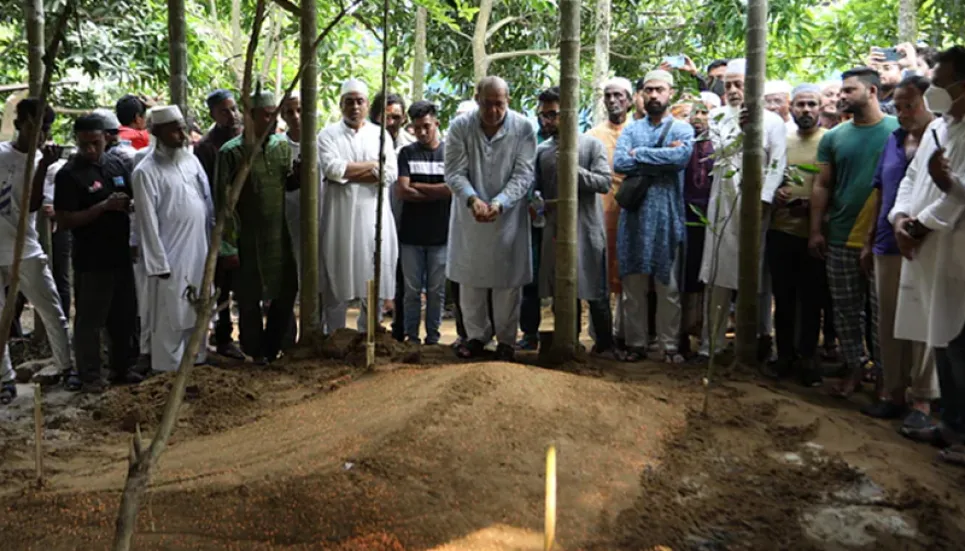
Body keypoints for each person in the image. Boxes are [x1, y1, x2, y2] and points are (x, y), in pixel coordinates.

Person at [887, 46, 965, 466]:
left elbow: (959, 197)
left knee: (959, 346)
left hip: (956, 255)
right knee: (940, 340)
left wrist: (920, 226)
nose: (934, 88)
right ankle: (950, 424)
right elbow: (912, 179)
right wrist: (900, 218)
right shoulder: (939, 128)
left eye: (942, 81)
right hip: (925, 250)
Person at [809, 66, 899, 397]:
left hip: (883, 238)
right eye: (842, 90)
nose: (842, 96)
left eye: (850, 90)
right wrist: (816, 230)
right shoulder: (833, 137)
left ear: (872, 91)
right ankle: (854, 367)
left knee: (882, 311)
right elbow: (822, 184)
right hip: (840, 234)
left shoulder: (896, 129)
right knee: (846, 309)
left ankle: (887, 377)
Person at [859, 75, 939, 424]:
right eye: (900, 106)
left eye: (911, 105)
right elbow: (882, 193)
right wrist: (868, 241)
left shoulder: (943, 138)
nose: (904, 113)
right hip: (887, 241)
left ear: (930, 102)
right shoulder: (893, 140)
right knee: (888, 320)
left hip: (927, 242)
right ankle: (893, 392)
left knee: (922, 321)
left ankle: (922, 400)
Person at [697, 58, 787, 362]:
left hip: (755, 210)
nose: (733, 90)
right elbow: (722, 152)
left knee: (757, 278)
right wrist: (743, 128)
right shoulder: (718, 117)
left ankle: (758, 341)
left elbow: (777, 165)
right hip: (723, 204)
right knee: (717, 275)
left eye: (740, 84)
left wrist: (763, 200)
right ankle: (712, 345)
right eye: (729, 85)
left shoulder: (773, 122)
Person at [446, 76, 536, 361]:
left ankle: (507, 341)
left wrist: (500, 202)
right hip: (469, 215)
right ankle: (474, 337)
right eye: (487, 104)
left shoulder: (523, 128)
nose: (493, 111)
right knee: (470, 280)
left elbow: (524, 174)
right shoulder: (460, 127)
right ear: (476, 99)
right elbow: (454, 172)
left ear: (507, 100)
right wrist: (473, 199)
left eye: (499, 104)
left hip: (507, 218)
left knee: (507, 282)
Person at [55, 114, 141, 392]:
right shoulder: (69, 175)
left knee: (125, 314)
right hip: (91, 260)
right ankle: (90, 376)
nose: (90, 150)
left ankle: (122, 368)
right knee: (91, 321)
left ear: (106, 137)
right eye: (84, 145)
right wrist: (102, 207)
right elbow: (65, 219)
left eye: (95, 143)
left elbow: (130, 199)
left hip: (120, 254)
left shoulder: (117, 164)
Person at [614, 70, 695, 363]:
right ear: (641, 94)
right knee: (633, 287)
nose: (654, 95)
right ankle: (636, 344)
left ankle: (669, 346)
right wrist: (659, 156)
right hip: (634, 219)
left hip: (667, 219)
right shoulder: (631, 129)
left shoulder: (682, 129)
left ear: (670, 93)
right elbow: (620, 161)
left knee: (668, 288)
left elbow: (681, 158)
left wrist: (641, 155)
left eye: (659, 89)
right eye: (648, 90)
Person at [216, 88, 299, 364]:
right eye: (266, 115)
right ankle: (254, 350)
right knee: (248, 296)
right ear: (250, 117)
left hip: (278, 235)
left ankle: (277, 346)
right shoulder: (232, 152)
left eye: (274, 114)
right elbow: (222, 204)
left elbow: (287, 183)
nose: (272, 120)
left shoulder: (281, 147)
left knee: (285, 289)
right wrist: (227, 245)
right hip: (246, 239)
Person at [0, 99, 73, 404]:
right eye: (34, 127)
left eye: (44, 129)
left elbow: (32, 206)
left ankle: (67, 367)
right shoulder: (2, 154)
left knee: (50, 307)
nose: (40, 135)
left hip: (24, 246)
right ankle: (5, 379)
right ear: (19, 125)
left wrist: (42, 164)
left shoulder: (45, 161)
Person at [131, 106, 213, 373]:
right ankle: (167, 374)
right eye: (175, 129)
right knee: (171, 316)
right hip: (170, 258)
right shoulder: (145, 172)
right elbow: (147, 224)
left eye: (182, 127)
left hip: (199, 251)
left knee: (199, 310)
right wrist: (159, 265)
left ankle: (197, 365)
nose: (182, 134)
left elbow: (207, 203)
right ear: (157, 132)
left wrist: (213, 245)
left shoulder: (191, 161)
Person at [533, 87, 614, 354]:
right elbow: (535, 189)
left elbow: (603, 182)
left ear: (568, 114)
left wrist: (572, 169)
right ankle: (569, 343)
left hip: (587, 228)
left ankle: (605, 346)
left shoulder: (591, 145)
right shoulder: (541, 151)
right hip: (555, 231)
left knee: (596, 292)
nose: (548, 121)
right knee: (561, 290)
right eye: (544, 115)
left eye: (553, 114)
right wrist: (537, 205)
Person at [317, 79, 398, 333]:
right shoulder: (327, 135)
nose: (354, 106)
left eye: (359, 101)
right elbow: (332, 169)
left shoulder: (380, 134)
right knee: (336, 275)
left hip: (374, 218)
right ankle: (334, 335)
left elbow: (389, 173)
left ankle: (369, 335)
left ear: (366, 105)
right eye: (349, 101)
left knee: (373, 273)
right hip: (339, 218)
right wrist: (373, 165)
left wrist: (352, 170)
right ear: (341, 105)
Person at [766, 84, 827, 386]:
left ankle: (807, 357)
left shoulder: (830, 140)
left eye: (811, 104)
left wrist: (816, 210)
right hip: (781, 230)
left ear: (820, 107)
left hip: (815, 234)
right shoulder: (783, 139)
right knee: (784, 298)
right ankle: (784, 355)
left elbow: (833, 184)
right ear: (791, 107)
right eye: (800, 104)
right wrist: (775, 193)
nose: (806, 110)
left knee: (811, 299)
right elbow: (770, 174)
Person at [195, 89, 245, 360]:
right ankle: (223, 336)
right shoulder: (206, 147)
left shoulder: (246, 138)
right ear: (213, 114)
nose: (232, 115)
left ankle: (245, 336)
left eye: (234, 109)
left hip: (246, 220)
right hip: (222, 222)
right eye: (224, 111)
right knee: (222, 283)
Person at [395, 100, 450, 345]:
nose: (423, 132)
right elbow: (403, 191)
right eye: (417, 128)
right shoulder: (407, 153)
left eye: (427, 126)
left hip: (441, 234)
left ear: (437, 123)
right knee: (412, 291)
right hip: (411, 235)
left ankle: (434, 338)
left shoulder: (449, 153)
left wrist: (418, 186)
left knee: (437, 291)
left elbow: (451, 190)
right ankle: (412, 336)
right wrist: (434, 191)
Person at [586, 77, 633, 348]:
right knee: (599, 273)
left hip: (630, 213)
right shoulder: (592, 136)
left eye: (618, 95)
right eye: (608, 95)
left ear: (628, 99)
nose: (613, 101)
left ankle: (625, 334)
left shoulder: (638, 131)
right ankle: (600, 337)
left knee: (628, 275)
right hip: (600, 213)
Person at [371, 91, 413, 341]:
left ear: (404, 117)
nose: (390, 122)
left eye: (396, 117)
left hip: (404, 218)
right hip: (373, 217)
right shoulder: (369, 140)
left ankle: (401, 329)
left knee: (403, 276)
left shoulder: (410, 144)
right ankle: (372, 326)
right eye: (385, 117)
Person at [680, 99, 714, 356]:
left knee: (708, 277)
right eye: (694, 112)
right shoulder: (682, 144)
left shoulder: (721, 146)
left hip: (713, 220)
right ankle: (682, 333)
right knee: (684, 276)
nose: (698, 117)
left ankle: (706, 335)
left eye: (704, 112)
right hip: (683, 218)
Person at [868, 49, 902, 114]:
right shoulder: (869, 95)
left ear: (900, 71)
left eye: (887, 68)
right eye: (876, 68)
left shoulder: (904, 97)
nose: (879, 71)